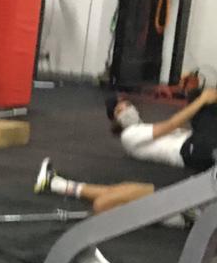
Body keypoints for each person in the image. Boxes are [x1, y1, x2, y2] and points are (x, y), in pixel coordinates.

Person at [35, 86, 217, 218]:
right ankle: (57, 184)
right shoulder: (129, 135)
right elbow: (171, 124)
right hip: (191, 157)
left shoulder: (142, 128)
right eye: (120, 110)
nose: (127, 109)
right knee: (198, 98)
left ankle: (56, 184)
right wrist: (202, 100)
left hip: (195, 159)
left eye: (128, 105)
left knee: (116, 193)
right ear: (116, 120)